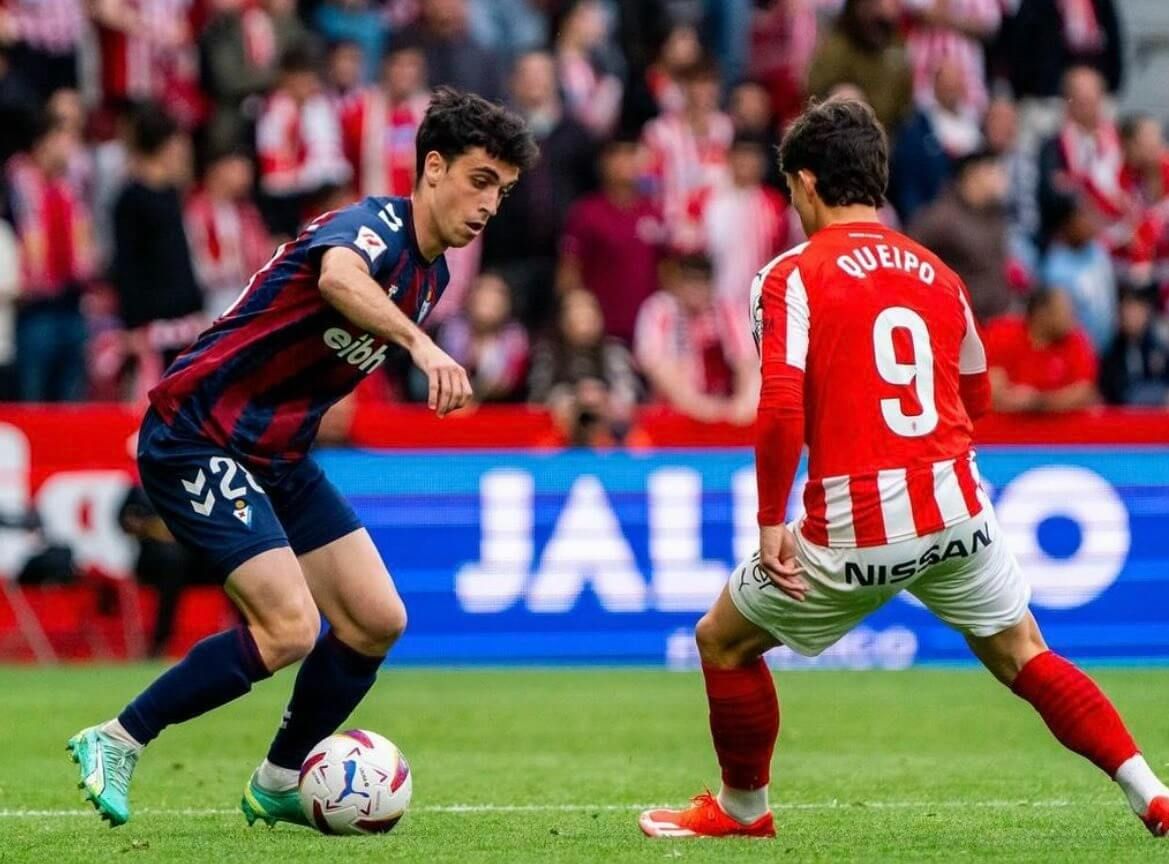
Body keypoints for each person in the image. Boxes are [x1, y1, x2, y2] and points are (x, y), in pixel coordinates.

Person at [638, 99, 1168, 840]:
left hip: (857, 519)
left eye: (792, 189)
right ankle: (1149, 788)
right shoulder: (936, 272)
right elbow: (975, 393)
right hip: (956, 504)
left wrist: (768, 524)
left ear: (807, 182)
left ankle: (742, 810)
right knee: (1024, 652)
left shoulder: (790, 275)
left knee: (721, 641)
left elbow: (780, 405)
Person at [66, 87, 538, 829]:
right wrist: (420, 345)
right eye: (480, 180)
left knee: (376, 618)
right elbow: (336, 277)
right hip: (197, 433)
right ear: (434, 167)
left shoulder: (432, 275)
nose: (489, 205)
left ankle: (280, 779)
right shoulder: (373, 227)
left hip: (275, 454)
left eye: (503, 192)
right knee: (289, 627)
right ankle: (118, 737)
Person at [984, 286, 1100, 413]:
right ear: (1042, 313)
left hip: (1058, 430)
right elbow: (993, 392)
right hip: (1004, 429)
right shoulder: (1003, 333)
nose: (1072, 318)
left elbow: (1083, 393)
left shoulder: (1077, 340)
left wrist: (1036, 401)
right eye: (1065, 311)